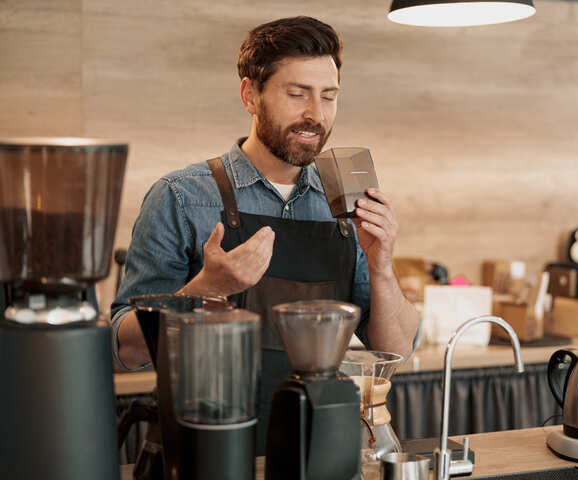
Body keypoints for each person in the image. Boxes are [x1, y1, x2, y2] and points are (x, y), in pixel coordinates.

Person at [111, 16, 419, 453]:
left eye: (328, 96)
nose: (315, 113)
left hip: (321, 448)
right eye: (297, 94)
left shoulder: (346, 206)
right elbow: (124, 346)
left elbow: (395, 355)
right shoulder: (180, 197)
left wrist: (381, 265)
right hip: (209, 451)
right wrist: (205, 291)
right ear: (249, 95)